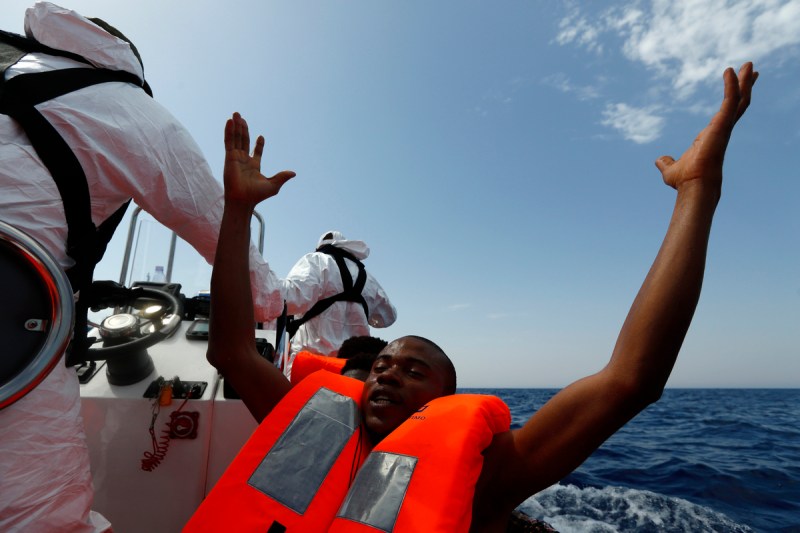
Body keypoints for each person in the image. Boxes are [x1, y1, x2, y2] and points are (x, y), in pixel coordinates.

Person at [198, 61, 757, 531]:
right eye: (384, 366)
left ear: (442, 402)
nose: (388, 374)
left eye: (415, 372)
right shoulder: (309, 426)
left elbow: (632, 379)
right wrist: (239, 211)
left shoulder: (488, 480)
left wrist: (696, 190)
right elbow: (232, 351)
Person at [0, 3, 275, 531]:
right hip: (17, 352)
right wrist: (274, 301)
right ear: (128, 58)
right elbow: (236, 258)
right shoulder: (130, 109)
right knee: (38, 518)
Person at [271, 230, 397, 379]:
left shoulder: (317, 260)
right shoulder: (367, 278)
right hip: (352, 371)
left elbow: (290, 298)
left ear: (319, 246)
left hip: (312, 366)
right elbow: (388, 317)